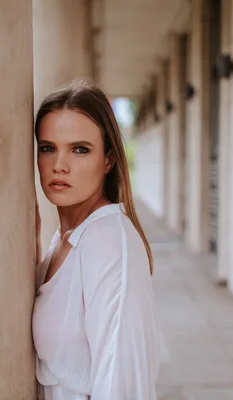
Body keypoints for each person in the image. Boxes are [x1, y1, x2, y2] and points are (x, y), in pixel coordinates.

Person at [32, 79, 159, 400]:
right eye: (48, 148)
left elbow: (123, 381)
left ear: (109, 160)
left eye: (79, 149)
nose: (59, 165)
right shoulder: (65, 238)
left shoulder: (108, 241)